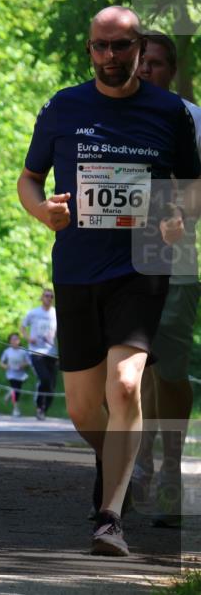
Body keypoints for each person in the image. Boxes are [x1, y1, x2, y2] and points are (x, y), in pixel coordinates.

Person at [17, 6, 200, 556]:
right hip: (77, 267)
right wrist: (42, 211)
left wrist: (180, 217)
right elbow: (29, 179)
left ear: (139, 48)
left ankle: (109, 518)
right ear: (90, 49)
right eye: (101, 46)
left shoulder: (170, 113)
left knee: (125, 384)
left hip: (143, 266)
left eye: (122, 47)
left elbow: (192, 185)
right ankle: (118, 459)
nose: (111, 57)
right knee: (83, 408)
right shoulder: (63, 106)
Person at [128, 30, 201, 527]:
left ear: (171, 70)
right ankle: (138, 470)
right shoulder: (112, 114)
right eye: (140, 61)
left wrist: (182, 215)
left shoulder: (192, 118)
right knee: (136, 367)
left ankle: (171, 471)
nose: (145, 70)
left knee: (167, 369)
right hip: (117, 258)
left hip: (174, 256)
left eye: (155, 63)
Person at [21, 288, 58, 421]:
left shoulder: (56, 314)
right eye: (46, 296)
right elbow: (23, 327)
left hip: (52, 353)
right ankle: (39, 406)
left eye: (51, 296)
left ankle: (44, 409)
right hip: (36, 352)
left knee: (52, 385)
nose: (49, 298)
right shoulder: (34, 313)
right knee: (44, 379)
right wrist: (28, 338)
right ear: (41, 298)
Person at [0, 333, 33, 418]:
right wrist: (5, 366)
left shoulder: (23, 351)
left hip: (21, 374)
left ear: (19, 340)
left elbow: (29, 362)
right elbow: (1, 362)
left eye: (16, 339)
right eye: (13, 339)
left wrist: (23, 365)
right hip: (11, 374)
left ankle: (9, 394)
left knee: (17, 390)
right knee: (16, 390)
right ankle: (16, 409)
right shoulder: (7, 351)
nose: (15, 341)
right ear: (9, 341)